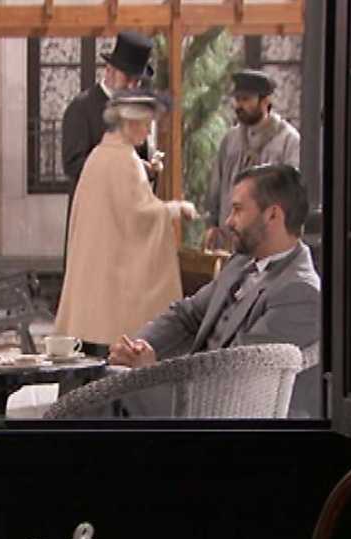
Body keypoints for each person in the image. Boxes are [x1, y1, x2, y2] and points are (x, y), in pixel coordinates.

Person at [109, 164, 320, 416]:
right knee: (99, 387)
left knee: (103, 405)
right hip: (189, 393)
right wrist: (138, 347)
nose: (228, 221)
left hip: (223, 414)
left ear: (272, 215)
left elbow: (238, 376)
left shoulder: (300, 292)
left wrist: (151, 374)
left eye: (238, 210)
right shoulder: (240, 262)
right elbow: (186, 314)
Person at [56, 89, 196, 357]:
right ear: (129, 123)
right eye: (145, 124)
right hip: (113, 279)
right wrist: (176, 209)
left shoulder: (98, 155)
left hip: (94, 273)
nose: (147, 131)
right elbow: (140, 216)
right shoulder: (124, 160)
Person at [60, 32, 160, 264]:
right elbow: (73, 165)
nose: (132, 86)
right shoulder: (81, 108)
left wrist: (151, 168)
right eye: (127, 78)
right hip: (94, 226)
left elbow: (141, 160)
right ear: (109, 71)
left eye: (137, 81)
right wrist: (126, 167)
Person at [203, 70, 301, 250]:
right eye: (237, 99)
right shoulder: (230, 140)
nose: (239, 105)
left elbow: (292, 196)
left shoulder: (288, 141)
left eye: (246, 99)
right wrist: (212, 224)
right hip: (230, 240)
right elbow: (216, 186)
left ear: (265, 101)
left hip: (268, 242)